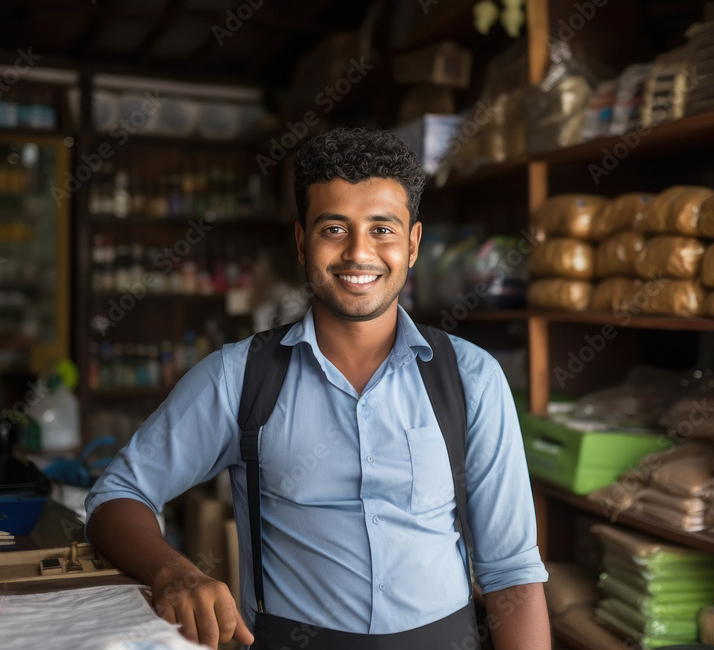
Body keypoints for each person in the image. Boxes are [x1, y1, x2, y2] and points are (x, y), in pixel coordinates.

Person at [85, 127, 551, 650]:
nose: (359, 252)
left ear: (413, 244)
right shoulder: (240, 377)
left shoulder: (471, 379)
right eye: (335, 228)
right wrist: (176, 573)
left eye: (382, 229)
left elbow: (512, 573)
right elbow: (117, 494)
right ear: (302, 242)